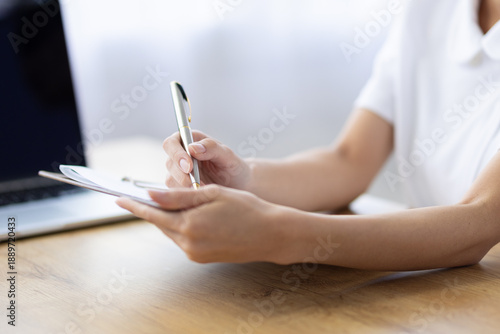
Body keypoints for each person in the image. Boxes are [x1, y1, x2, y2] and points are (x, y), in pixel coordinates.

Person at [117, 0, 500, 270]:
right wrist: (241, 177)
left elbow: (476, 224)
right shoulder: (432, 8)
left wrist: (282, 235)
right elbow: (349, 160)